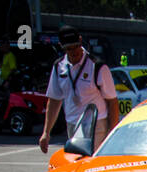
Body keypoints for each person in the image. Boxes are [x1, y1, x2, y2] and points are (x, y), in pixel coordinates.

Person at [39, 25, 118, 154]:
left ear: (80, 41)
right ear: (61, 46)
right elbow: (54, 101)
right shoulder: (59, 67)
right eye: (69, 48)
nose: (74, 51)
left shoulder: (97, 66)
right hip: (72, 125)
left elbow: (112, 101)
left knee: (93, 166)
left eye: (76, 46)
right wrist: (46, 132)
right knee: (77, 164)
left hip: (96, 125)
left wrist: (111, 133)